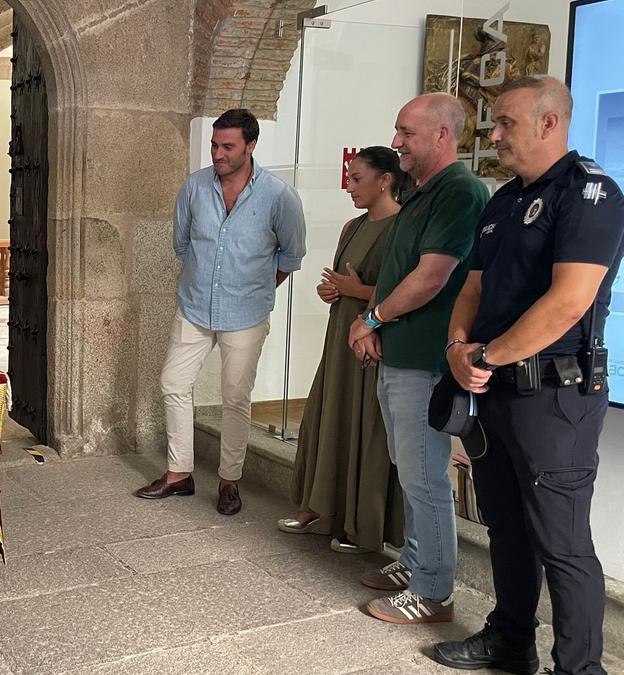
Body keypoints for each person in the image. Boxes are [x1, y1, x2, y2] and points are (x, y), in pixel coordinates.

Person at [434, 75, 624, 675]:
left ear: (550, 123)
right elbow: (474, 285)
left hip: (555, 395)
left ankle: (578, 668)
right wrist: (458, 348)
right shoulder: (504, 200)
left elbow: (569, 301)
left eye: (504, 123)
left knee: (561, 542)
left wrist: (484, 358)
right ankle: (510, 640)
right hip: (493, 390)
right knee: (507, 526)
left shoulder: (591, 194)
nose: (493, 136)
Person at [346, 93, 489, 624]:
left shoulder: (460, 191)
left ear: (442, 136)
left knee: (425, 476)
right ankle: (415, 561)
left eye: (406, 132)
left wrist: (373, 318)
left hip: (428, 358)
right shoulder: (423, 192)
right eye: (398, 130)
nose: (397, 141)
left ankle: (432, 593)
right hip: (403, 355)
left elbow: (432, 277)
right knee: (412, 472)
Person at [135, 108, 306, 516]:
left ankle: (230, 480)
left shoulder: (279, 197)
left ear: (251, 146)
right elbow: (182, 244)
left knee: (235, 397)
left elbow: (291, 255)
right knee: (173, 382)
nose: (218, 154)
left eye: (227, 146)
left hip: (246, 314)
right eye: (214, 145)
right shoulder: (194, 188)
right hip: (194, 306)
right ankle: (179, 474)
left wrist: (253, 288)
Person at [277, 146, 405, 556]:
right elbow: (342, 284)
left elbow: (408, 292)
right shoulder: (351, 226)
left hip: (375, 338)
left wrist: (358, 292)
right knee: (327, 415)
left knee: (364, 426)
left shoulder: (403, 227)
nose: (349, 187)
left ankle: (359, 523)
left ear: (385, 180)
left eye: (356, 178)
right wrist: (332, 291)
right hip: (342, 335)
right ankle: (320, 509)